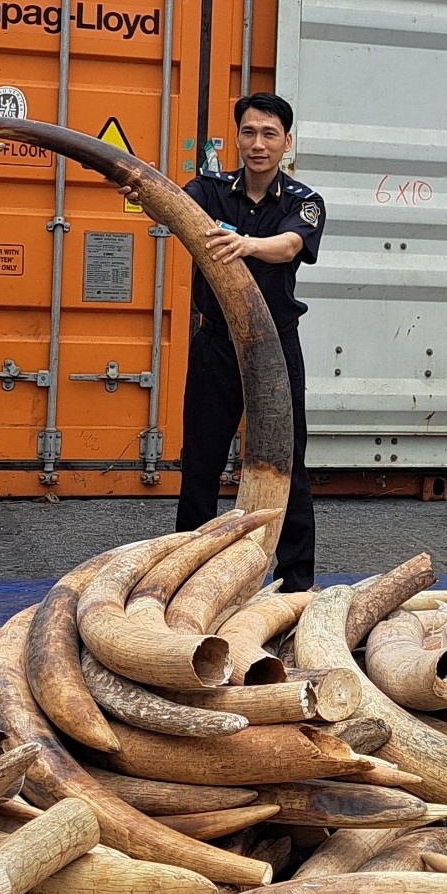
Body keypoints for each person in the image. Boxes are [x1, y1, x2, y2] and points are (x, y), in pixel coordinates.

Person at [147, 91, 325, 591]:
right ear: (238, 138)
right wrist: (144, 191)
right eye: (249, 132)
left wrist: (247, 245)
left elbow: (290, 245)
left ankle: (296, 583)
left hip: (275, 348)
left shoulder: (305, 202)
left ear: (287, 142)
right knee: (201, 462)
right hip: (217, 344)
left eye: (269, 134)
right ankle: (185, 577)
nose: (258, 144)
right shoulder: (210, 189)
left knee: (287, 464)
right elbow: (171, 207)